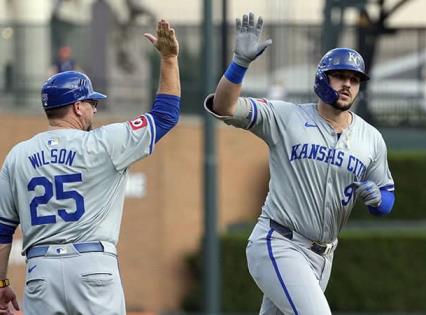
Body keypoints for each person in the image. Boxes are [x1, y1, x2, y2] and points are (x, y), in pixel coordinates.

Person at [204, 13, 395, 315]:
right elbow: (224, 107)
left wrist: (377, 199)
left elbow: (387, 199)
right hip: (278, 243)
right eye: (340, 76)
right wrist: (240, 63)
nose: (347, 84)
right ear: (322, 77)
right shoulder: (285, 116)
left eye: (354, 79)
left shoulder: (371, 138)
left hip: (323, 256)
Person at [0, 19, 180, 315]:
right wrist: (169, 59)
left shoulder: (18, 155)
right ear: (77, 107)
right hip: (93, 268)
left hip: (41, 273)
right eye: (91, 103)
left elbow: (3, 230)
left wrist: (1, 282)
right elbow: (165, 115)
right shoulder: (103, 143)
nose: (95, 109)